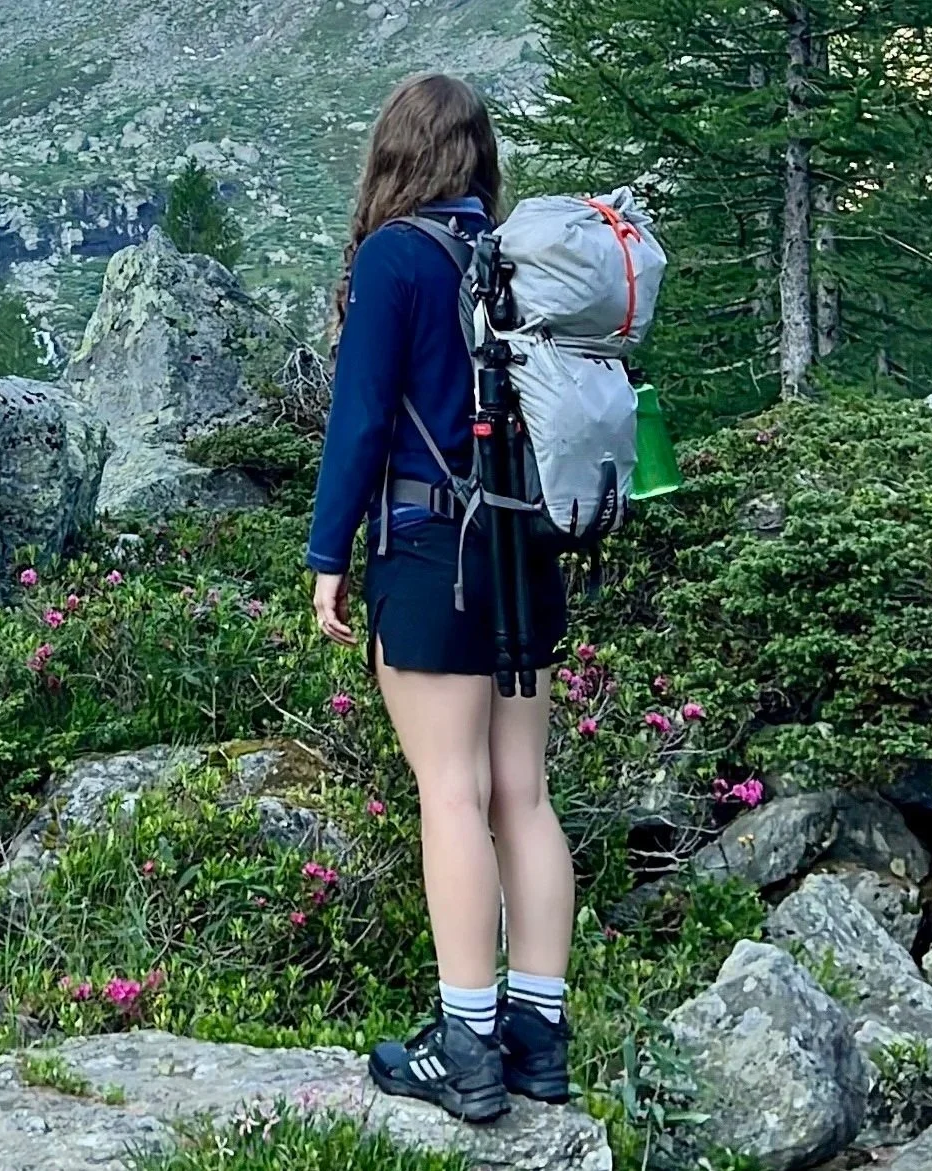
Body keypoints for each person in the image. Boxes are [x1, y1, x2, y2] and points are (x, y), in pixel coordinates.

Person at [305, 73, 575, 1124]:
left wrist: (329, 553)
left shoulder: (394, 258)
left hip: (429, 555)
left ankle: (462, 1045)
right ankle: (535, 1039)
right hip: (523, 550)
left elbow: (360, 417)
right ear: (476, 157)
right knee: (524, 794)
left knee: (449, 794)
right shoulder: (505, 260)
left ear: (394, 155)